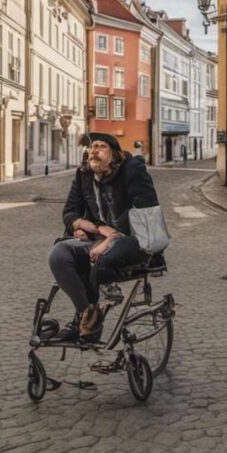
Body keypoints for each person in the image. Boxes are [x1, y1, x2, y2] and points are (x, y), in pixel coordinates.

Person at [47, 132, 161, 342]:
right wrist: (81, 225)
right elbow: (70, 211)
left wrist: (112, 239)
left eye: (100, 147)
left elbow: (146, 216)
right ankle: (87, 318)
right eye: (91, 147)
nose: (93, 151)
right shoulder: (84, 175)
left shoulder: (132, 171)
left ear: (114, 154)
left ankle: (88, 319)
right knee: (59, 254)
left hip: (135, 240)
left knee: (100, 258)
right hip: (98, 238)